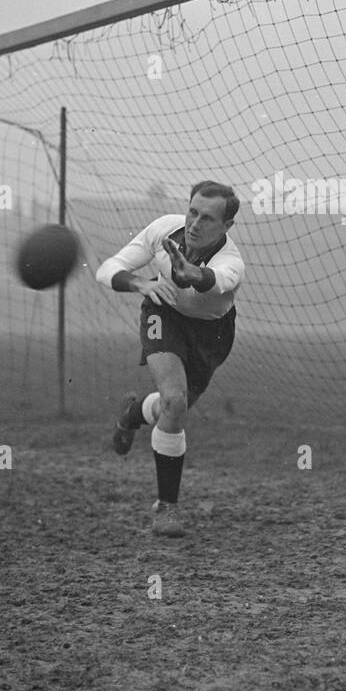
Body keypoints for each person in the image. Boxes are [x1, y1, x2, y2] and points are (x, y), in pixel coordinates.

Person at [94, 180, 244, 537]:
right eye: (192, 211)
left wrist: (192, 273)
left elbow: (213, 279)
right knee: (175, 401)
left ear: (226, 226)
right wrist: (140, 284)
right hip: (163, 313)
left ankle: (132, 414)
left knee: (172, 408)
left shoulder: (232, 261)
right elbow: (106, 269)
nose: (194, 223)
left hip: (212, 335)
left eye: (207, 218)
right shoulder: (164, 229)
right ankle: (166, 508)